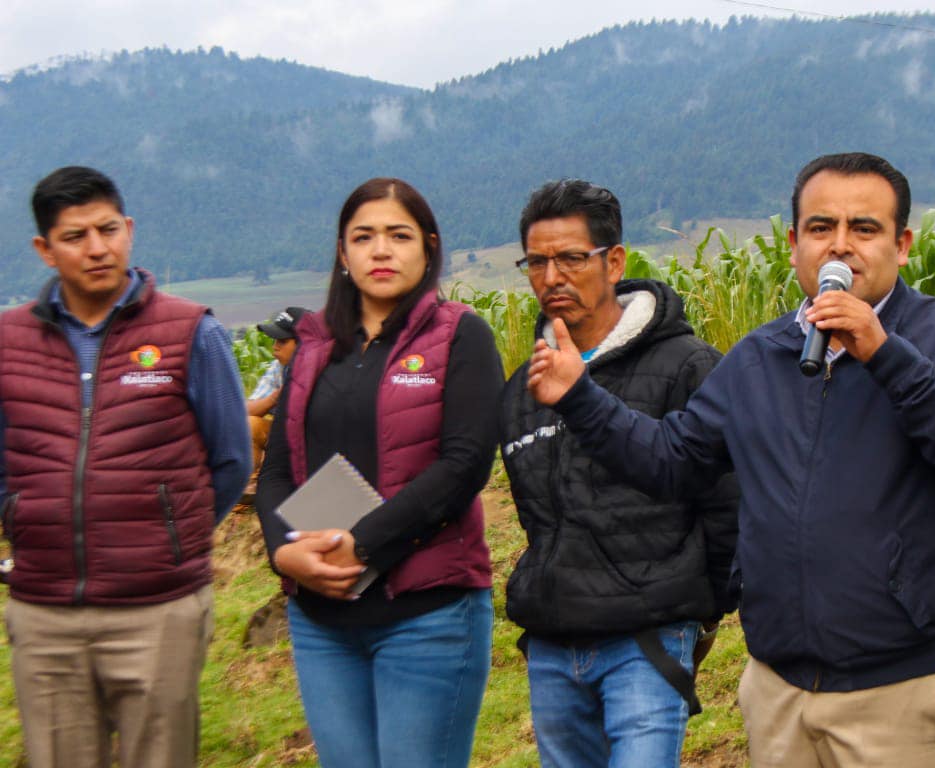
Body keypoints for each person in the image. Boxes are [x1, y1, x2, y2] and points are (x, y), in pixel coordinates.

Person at [526, 152, 935, 767]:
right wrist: (581, 397)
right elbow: (673, 459)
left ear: (903, 244)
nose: (839, 247)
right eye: (821, 229)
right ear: (793, 245)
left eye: (864, 229)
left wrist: (884, 352)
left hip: (898, 687)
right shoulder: (760, 356)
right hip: (778, 687)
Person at [0, 166, 252, 768]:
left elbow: (231, 457)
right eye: (75, 236)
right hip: (45, 612)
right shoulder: (7, 342)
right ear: (45, 249)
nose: (96, 248)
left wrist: (172, 534)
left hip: (158, 608)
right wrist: (23, 519)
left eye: (108, 229)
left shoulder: (190, 331)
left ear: (129, 230)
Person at [254, 178, 502, 767]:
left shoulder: (460, 334)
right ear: (343, 254)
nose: (381, 250)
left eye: (399, 235)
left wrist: (360, 545)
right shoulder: (313, 345)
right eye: (363, 237)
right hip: (322, 619)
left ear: (429, 247)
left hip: (427, 615)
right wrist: (281, 554)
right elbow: (279, 470)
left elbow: (464, 466)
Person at [499, 180, 739, 767]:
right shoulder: (522, 391)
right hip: (554, 648)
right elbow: (537, 517)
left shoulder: (686, 365)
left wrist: (700, 613)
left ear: (614, 262)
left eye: (571, 258)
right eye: (537, 261)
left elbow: (726, 505)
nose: (552, 276)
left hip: (647, 641)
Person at [245, 306, 306, 487]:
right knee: (250, 424)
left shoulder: (326, 369)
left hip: (316, 442)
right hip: (286, 435)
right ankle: (250, 484)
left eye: (282, 341)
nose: (275, 347)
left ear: (303, 343)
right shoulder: (280, 367)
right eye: (275, 340)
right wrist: (278, 396)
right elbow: (246, 409)